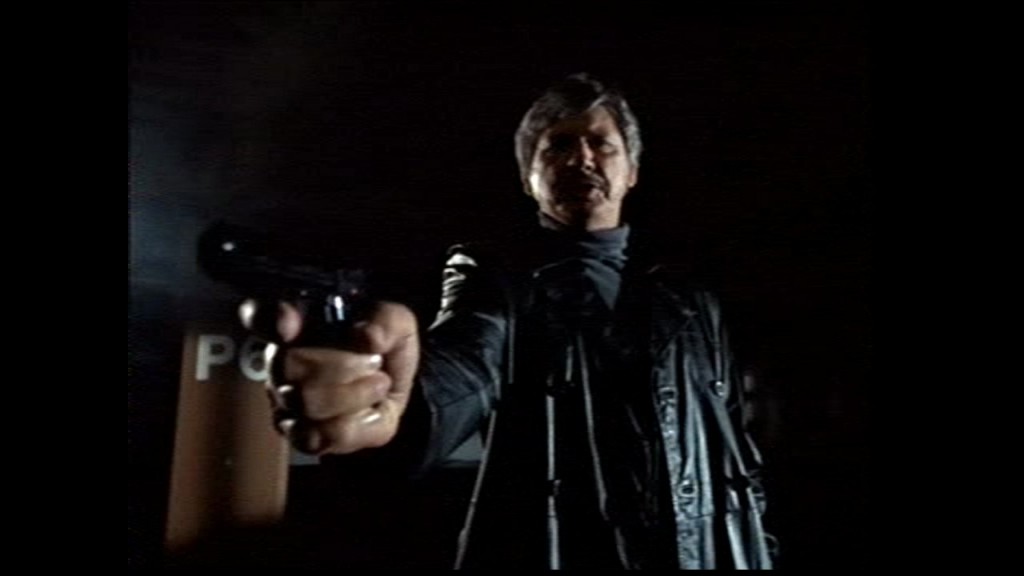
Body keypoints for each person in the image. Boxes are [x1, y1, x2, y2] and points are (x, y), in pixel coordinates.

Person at [245, 73, 776, 569]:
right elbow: (464, 361)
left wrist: (758, 549)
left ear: (631, 172)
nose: (582, 157)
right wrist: (390, 399)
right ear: (528, 178)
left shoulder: (691, 298)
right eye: (558, 145)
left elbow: (735, 446)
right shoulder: (497, 279)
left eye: (601, 144)